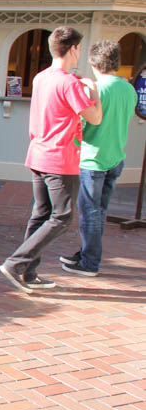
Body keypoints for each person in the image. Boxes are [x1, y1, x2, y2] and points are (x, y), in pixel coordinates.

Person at [0, 26, 102, 294]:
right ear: (74, 49)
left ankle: (28, 272)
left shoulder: (41, 78)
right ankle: (16, 263)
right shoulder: (69, 82)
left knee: (42, 214)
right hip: (60, 158)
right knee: (62, 216)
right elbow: (95, 117)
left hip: (39, 154)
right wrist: (93, 91)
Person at [60, 40, 137, 277]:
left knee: (90, 212)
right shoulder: (129, 89)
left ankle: (90, 262)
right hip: (115, 157)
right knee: (99, 212)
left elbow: (81, 124)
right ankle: (87, 253)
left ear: (94, 62)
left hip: (93, 159)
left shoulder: (94, 89)